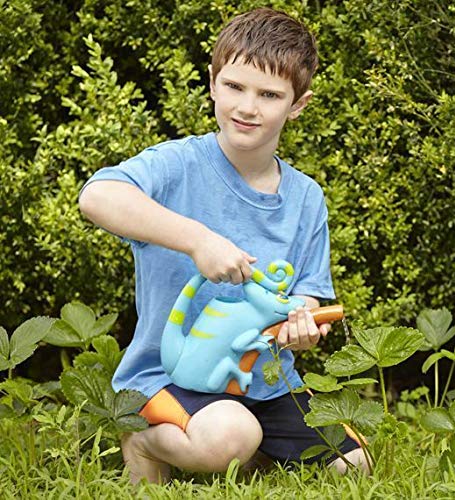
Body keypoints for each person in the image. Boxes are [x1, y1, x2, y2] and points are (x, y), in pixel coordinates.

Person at [79, 7, 368, 484]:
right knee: (229, 436)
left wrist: (301, 322)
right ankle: (145, 440)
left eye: (269, 95)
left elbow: (306, 295)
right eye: (234, 87)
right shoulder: (178, 165)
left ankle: (253, 450)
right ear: (212, 83)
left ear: (298, 104)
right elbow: (97, 196)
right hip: (170, 376)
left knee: (355, 465)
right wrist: (198, 240)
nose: (247, 107)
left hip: (270, 385)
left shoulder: (307, 198)